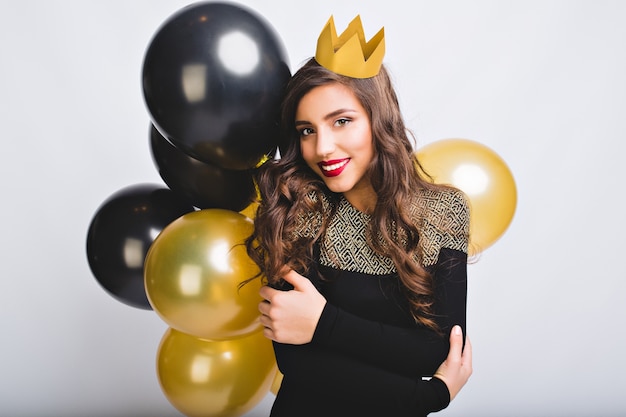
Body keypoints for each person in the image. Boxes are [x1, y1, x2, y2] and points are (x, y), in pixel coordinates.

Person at [245, 15, 473, 417]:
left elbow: (437, 350)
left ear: (378, 120)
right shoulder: (298, 209)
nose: (322, 148)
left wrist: (321, 323)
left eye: (341, 121)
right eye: (306, 130)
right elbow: (298, 364)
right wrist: (429, 397)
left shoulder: (444, 211)